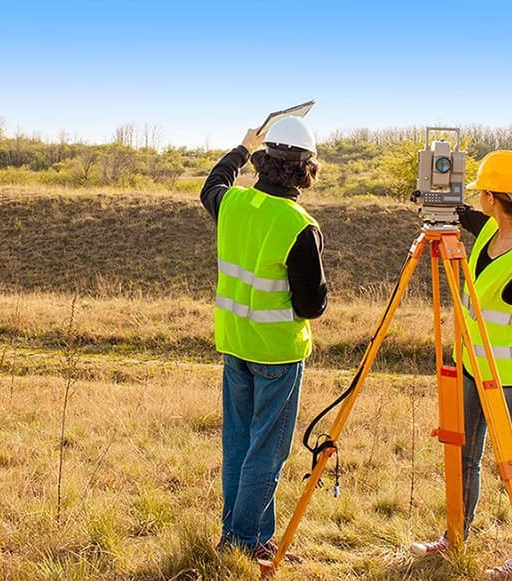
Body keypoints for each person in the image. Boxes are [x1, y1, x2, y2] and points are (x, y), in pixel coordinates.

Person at [411, 150, 512, 580]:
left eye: (482, 192)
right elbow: (461, 215)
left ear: (491, 197)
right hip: (470, 365)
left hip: (508, 380)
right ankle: (455, 537)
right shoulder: (487, 231)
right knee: (464, 457)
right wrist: (432, 199)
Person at [199, 116, 328, 561]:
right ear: (305, 170)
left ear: (263, 160)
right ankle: (246, 540)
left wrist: (240, 147)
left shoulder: (232, 204)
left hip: (235, 345)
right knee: (266, 453)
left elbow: (211, 185)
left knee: (239, 445)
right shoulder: (299, 225)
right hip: (276, 354)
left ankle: (240, 534)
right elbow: (311, 306)